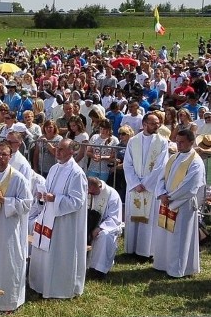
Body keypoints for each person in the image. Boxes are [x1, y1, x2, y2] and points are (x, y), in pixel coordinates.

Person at [29, 139, 88, 299]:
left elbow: (77, 202)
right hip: (48, 216)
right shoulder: (54, 168)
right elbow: (47, 192)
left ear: (72, 152)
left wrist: (55, 198)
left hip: (65, 223)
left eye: (61, 149)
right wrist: (41, 196)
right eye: (56, 148)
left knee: (60, 252)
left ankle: (58, 287)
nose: (57, 151)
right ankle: (41, 282)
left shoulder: (77, 173)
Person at [0, 141, 32, 312]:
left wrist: (4, 200)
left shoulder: (18, 178)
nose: (1, 157)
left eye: (4, 154)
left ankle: (8, 302)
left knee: (7, 262)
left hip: (8, 227)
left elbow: (27, 204)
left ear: (10, 156)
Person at [153, 128, 204, 278]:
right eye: (177, 141)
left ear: (191, 142)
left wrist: (170, 198)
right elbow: (161, 177)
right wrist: (161, 193)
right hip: (167, 201)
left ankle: (178, 269)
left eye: (182, 142)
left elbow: (190, 186)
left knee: (180, 238)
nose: (179, 145)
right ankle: (162, 263)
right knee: (165, 235)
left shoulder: (196, 162)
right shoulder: (173, 157)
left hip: (182, 204)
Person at [123, 113, 168, 260]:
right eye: (153, 123)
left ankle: (145, 251)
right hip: (135, 186)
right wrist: (135, 183)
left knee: (149, 221)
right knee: (134, 218)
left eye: (158, 123)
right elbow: (127, 164)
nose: (157, 126)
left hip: (150, 187)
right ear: (144, 124)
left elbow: (161, 165)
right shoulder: (133, 141)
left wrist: (146, 183)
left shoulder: (162, 142)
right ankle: (132, 249)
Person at [86, 176, 124, 278]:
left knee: (104, 236)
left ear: (99, 186)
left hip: (106, 227)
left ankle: (99, 270)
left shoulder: (112, 195)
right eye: (89, 192)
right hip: (88, 226)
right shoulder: (87, 192)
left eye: (93, 192)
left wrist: (99, 228)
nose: (91, 195)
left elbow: (114, 218)